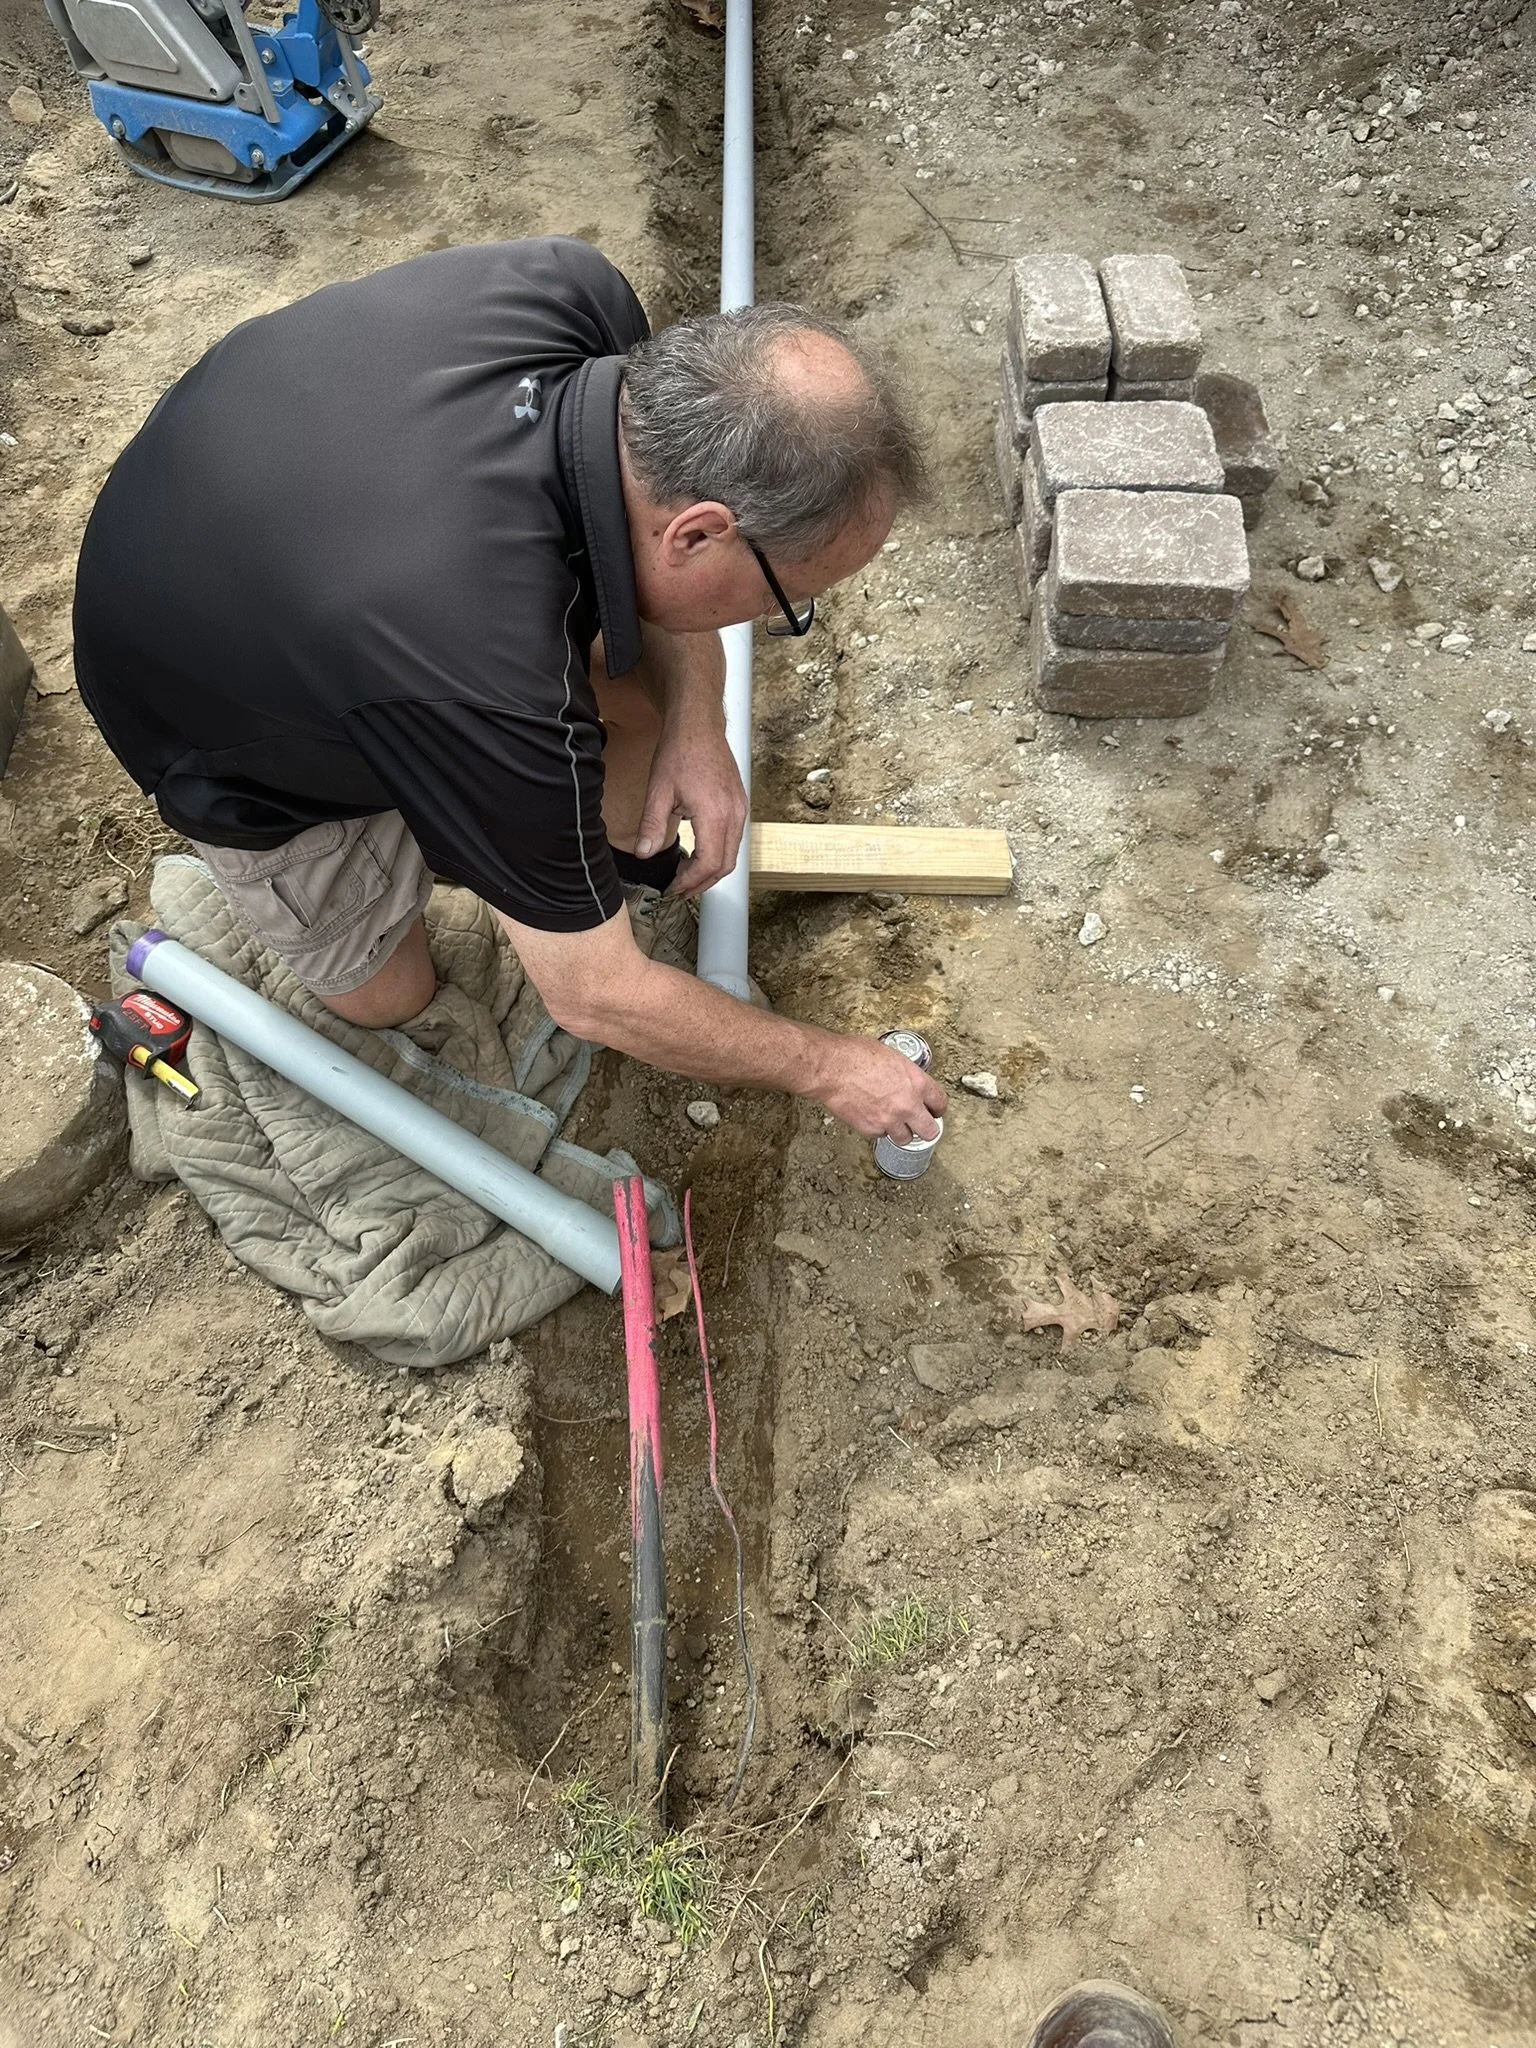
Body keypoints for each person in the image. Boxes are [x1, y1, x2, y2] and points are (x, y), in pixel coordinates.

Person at [72, 236, 946, 1146]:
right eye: (786, 600)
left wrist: (698, 726)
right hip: (207, 708)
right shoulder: (487, 674)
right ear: (695, 534)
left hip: (283, 539)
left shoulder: (579, 298)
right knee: (388, 996)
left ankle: (505, 829)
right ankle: (470, 828)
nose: (776, 617)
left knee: (631, 723)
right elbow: (596, 999)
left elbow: (610, 599)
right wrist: (833, 1066)